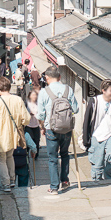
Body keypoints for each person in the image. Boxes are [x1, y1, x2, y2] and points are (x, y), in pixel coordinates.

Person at [37, 65, 79, 195]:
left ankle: (54, 187)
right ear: (60, 77)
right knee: (65, 154)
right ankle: (65, 180)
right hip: (66, 128)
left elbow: (40, 115)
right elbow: (76, 109)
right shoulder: (68, 89)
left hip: (51, 128)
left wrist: (42, 126)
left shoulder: (44, 92)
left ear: (46, 78)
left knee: (52, 158)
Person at [0, 77, 30, 192]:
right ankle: (12, 180)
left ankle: (5, 183)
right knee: (10, 156)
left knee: (1, 159)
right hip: (13, 135)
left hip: (0, 135)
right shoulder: (18, 99)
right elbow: (26, 119)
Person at [82, 79, 111, 182]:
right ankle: (97, 181)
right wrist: (86, 140)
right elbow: (87, 121)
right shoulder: (95, 102)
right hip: (96, 135)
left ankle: (109, 178)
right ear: (103, 90)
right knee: (97, 162)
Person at [24, 89, 42, 159]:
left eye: (35, 95)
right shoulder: (27, 104)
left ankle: (36, 155)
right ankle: (27, 154)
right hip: (28, 125)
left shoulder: (38, 104)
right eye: (33, 95)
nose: (34, 96)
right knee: (29, 140)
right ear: (30, 96)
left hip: (36, 125)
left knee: (37, 141)